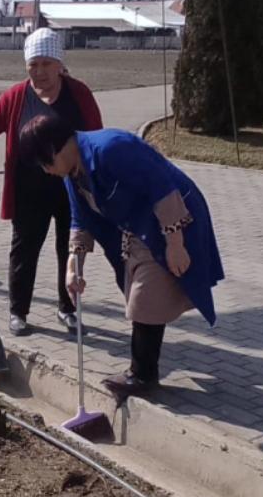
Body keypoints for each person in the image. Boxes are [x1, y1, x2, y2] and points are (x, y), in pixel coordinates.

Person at [18, 114, 225, 402]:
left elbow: (162, 188)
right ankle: (144, 370)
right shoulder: (73, 174)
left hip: (176, 220)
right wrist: (72, 266)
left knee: (145, 299)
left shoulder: (111, 148)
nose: (46, 170)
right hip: (140, 230)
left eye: (45, 162)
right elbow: (81, 220)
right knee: (141, 298)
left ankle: (142, 375)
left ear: (57, 148)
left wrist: (176, 244)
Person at [0, 27, 103, 337]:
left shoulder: (78, 94)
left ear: (59, 64)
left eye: (46, 63)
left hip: (71, 188)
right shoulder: (17, 96)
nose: (39, 71)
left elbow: (96, 136)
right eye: (33, 64)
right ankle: (18, 311)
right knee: (24, 250)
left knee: (69, 249)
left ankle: (67, 308)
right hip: (29, 190)